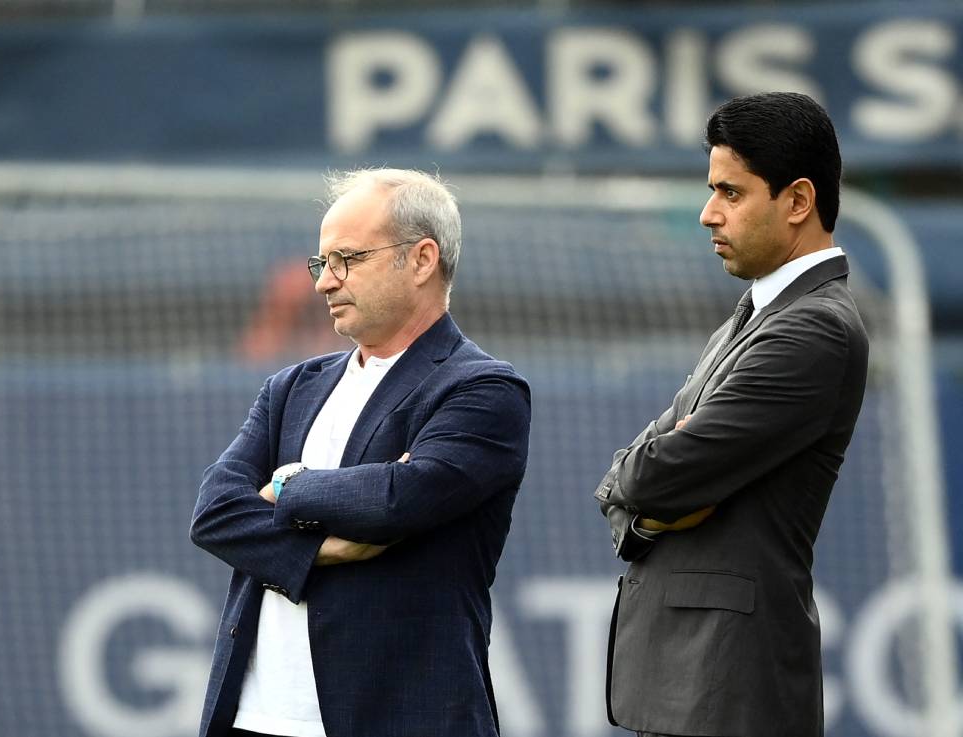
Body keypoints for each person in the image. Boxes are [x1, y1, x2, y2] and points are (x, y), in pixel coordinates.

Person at [191, 168, 531, 737]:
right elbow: (215, 512)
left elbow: (399, 500)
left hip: (398, 717)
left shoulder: (482, 389)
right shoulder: (291, 388)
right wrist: (322, 549)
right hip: (253, 719)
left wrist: (289, 485)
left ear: (422, 260)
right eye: (322, 263)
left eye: (348, 259)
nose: (325, 281)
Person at [595, 91, 869, 737]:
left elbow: (653, 474)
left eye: (731, 192)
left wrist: (642, 493)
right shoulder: (758, 314)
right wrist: (645, 513)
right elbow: (633, 476)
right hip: (694, 687)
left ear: (798, 201)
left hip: (729, 689)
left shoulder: (813, 330)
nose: (707, 214)